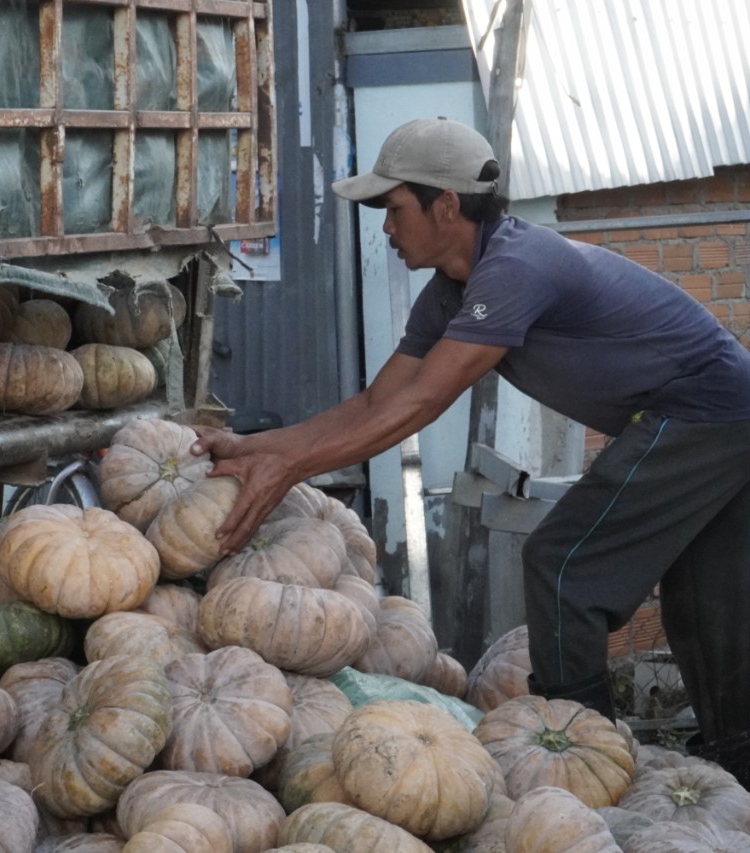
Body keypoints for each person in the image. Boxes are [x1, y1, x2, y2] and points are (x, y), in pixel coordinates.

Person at [192, 116, 750, 784]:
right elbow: (379, 402)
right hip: (687, 415)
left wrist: (291, 469)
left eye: (395, 209)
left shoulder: (516, 266)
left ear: (447, 205)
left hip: (707, 411)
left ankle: (582, 758)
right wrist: (260, 448)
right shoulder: (449, 294)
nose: (386, 228)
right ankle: (734, 759)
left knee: (563, 562)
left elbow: (424, 401)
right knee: (702, 591)